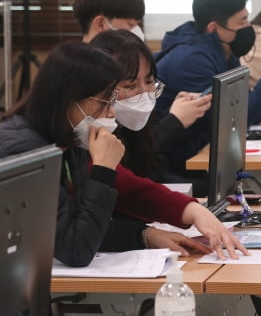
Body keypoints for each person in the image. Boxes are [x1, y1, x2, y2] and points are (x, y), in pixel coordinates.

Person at [0, 42, 213, 267]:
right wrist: (102, 169)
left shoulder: (67, 138)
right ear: (67, 99)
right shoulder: (23, 152)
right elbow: (75, 248)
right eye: (104, 102)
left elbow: (81, 224)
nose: (112, 113)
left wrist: (144, 235)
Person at [155, 0, 261, 178]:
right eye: (242, 22)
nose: (248, 27)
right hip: (180, 168)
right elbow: (233, 119)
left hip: (208, 155)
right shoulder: (191, 60)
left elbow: (244, 110)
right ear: (214, 28)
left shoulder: (224, 52)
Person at [74, 0, 213, 195]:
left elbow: (142, 155)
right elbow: (122, 164)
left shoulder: (131, 62)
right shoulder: (82, 83)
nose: (136, 30)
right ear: (101, 24)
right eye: (130, 24)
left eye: (148, 82)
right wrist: (174, 121)